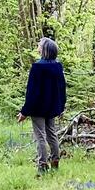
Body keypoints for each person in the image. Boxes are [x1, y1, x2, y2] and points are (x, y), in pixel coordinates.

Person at [17, 36, 67, 174]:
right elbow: (62, 88)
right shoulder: (58, 67)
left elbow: (32, 93)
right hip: (52, 107)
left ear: (44, 49)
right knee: (52, 134)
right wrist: (61, 106)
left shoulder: (37, 68)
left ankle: (42, 165)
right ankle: (55, 161)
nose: (38, 46)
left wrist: (24, 112)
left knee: (40, 136)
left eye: (39, 45)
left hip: (38, 108)